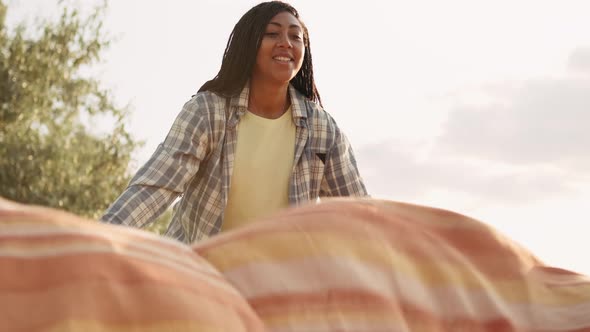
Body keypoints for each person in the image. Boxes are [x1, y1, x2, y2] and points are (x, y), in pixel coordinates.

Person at [101, 1, 367, 243]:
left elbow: (359, 215)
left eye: (296, 37)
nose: (286, 42)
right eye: (272, 33)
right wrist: (98, 239)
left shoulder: (322, 129)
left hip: (278, 283)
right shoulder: (208, 112)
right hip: (203, 274)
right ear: (249, 44)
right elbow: (156, 186)